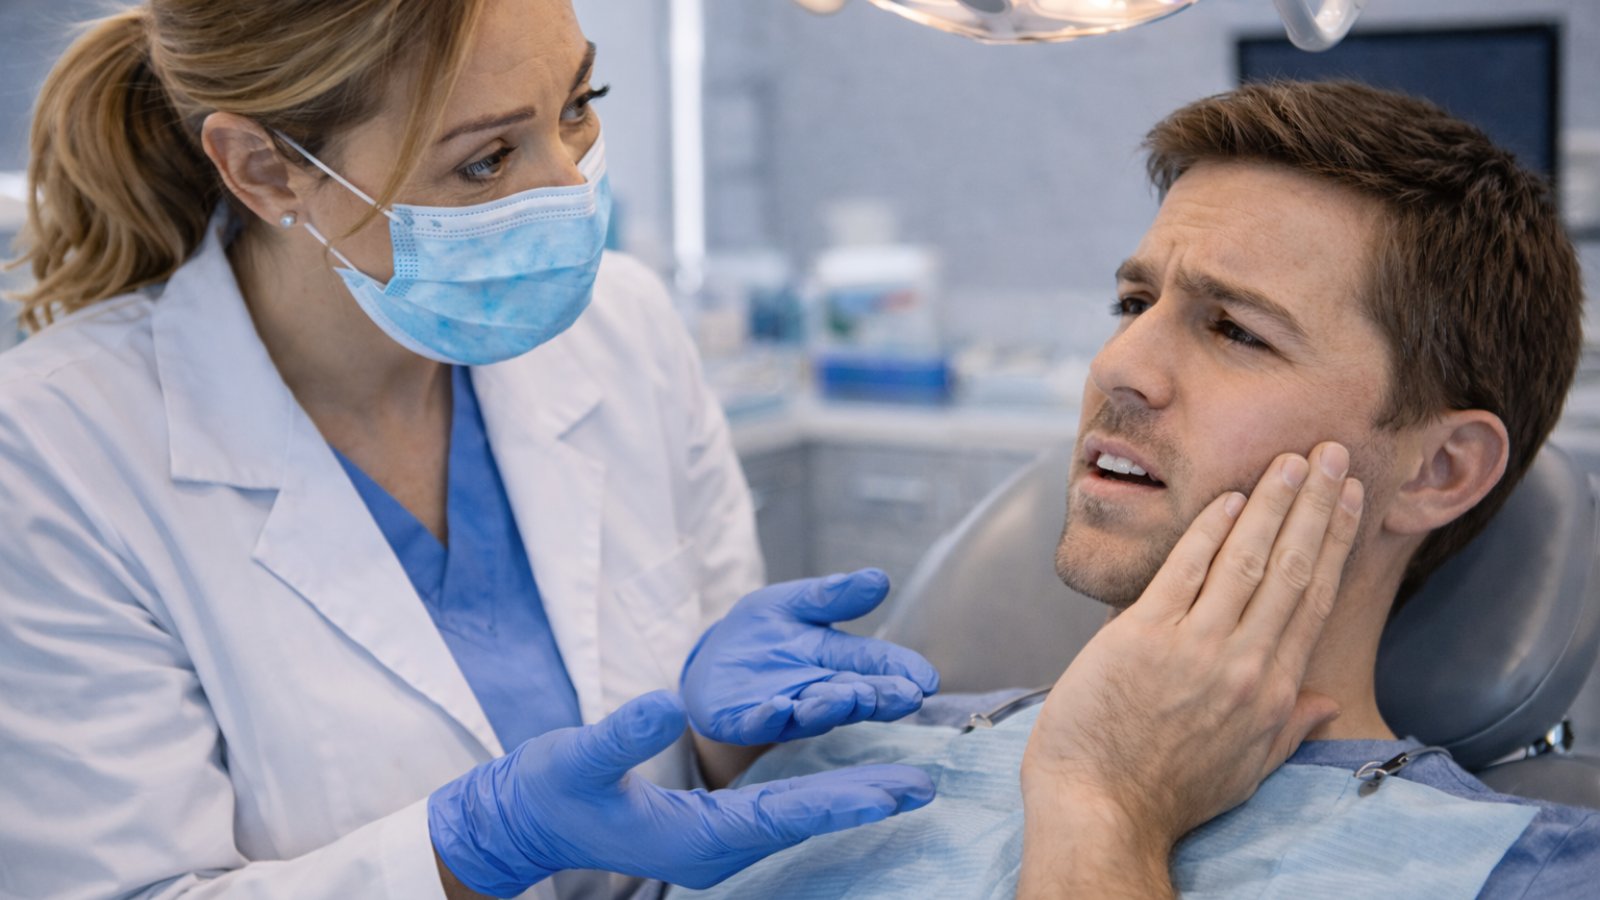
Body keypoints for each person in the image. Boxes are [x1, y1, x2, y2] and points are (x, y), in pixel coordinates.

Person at [0, 2, 1354, 899]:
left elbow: (692, 776)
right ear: (268, 170)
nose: (564, 192)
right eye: (484, 163)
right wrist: (470, 849)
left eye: (577, 109)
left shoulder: (621, 331)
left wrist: (721, 746)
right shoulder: (59, 451)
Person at [665, 80, 1596, 900]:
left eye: (1235, 330)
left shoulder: (1519, 871)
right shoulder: (860, 755)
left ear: (1438, 471)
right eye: (1133, 304)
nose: (1119, 364)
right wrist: (719, 768)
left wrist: (1108, 812)